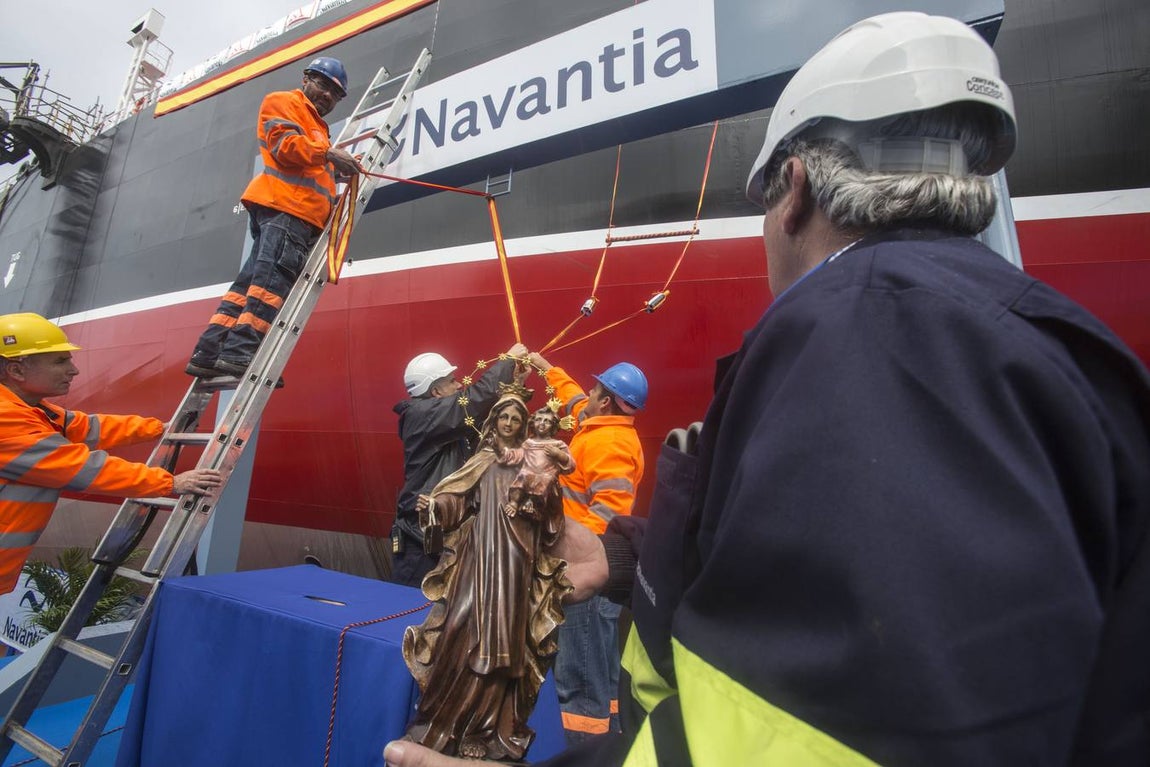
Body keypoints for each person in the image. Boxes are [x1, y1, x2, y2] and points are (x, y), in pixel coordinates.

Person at [384, 11, 1150, 767]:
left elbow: (808, 731)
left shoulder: (864, 333)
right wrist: (625, 556)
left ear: (795, 190)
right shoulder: (1062, 346)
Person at [402, 388, 570, 760]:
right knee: (458, 627)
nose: (508, 424)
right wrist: (435, 506)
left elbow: (553, 521)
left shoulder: (535, 463)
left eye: (516, 419)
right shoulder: (482, 461)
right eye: (503, 417)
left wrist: (546, 495)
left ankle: (485, 728)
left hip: (516, 563)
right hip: (477, 558)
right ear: (493, 422)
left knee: (504, 643)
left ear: (524, 425)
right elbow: (457, 500)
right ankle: (441, 721)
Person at [0, 313, 223, 594]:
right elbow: (81, 467)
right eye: (60, 361)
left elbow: (88, 427)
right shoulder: (7, 418)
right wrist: (170, 483)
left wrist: (158, 428)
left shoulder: (30, 409)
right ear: (16, 370)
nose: (73, 370)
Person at [185, 57, 363, 379]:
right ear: (305, 79)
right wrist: (328, 154)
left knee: (247, 287)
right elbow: (285, 147)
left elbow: (308, 168)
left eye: (335, 94)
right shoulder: (284, 102)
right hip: (288, 212)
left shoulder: (316, 127)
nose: (327, 95)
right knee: (270, 285)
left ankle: (207, 352)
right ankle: (240, 353)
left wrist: (333, 170)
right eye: (323, 85)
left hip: (290, 213)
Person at [526, 354, 646, 745]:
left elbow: (610, 511)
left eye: (595, 391)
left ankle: (582, 748)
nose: (587, 396)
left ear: (606, 400)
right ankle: (610, 741)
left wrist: (573, 558)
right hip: (595, 576)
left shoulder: (608, 443)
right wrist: (544, 367)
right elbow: (575, 399)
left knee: (579, 680)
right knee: (601, 673)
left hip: (586, 577)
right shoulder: (598, 426)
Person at [390, 343, 528, 587]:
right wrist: (507, 361)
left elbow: (485, 425)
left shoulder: (443, 424)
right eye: (452, 381)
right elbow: (472, 402)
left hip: (442, 535)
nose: (458, 385)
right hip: (420, 540)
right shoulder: (422, 415)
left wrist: (514, 386)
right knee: (411, 605)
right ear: (436, 392)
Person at [503, 406, 575, 519]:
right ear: (533, 423)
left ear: (553, 426)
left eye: (547, 421)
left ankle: (533, 504)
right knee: (522, 477)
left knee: (545, 480)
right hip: (528, 472)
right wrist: (506, 453)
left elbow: (571, 465)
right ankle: (514, 502)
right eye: (538, 419)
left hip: (547, 474)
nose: (542, 423)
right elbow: (518, 455)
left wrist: (559, 454)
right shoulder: (529, 443)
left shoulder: (558, 444)